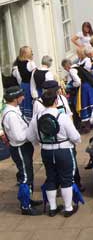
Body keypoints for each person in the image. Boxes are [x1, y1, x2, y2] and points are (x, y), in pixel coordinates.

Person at [26, 87, 81, 217]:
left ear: (42, 102)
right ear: (56, 101)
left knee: (51, 177)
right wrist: (75, 142)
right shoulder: (63, 117)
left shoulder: (36, 118)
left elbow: (29, 136)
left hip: (46, 152)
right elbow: (75, 137)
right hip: (63, 150)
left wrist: (39, 143)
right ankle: (68, 208)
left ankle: (52, 208)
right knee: (67, 178)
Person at [1, 86, 44, 215]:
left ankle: (28, 200)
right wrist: (31, 132)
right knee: (25, 176)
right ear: (15, 98)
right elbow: (19, 137)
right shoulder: (11, 115)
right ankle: (25, 206)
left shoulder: (13, 110)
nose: (24, 97)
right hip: (20, 148)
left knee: (28, 174)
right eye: (21, 96)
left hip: (24, 147)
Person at [12, 46, 36, 119]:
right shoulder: (31, 63)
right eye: (31, 52)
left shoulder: (18, 63)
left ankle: (25, 119)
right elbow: (35, 76)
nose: (32, 53)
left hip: (23, 85)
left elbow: (18, 76)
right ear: (26, 54)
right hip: (30, 85)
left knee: (24, 103)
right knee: (30, 103)